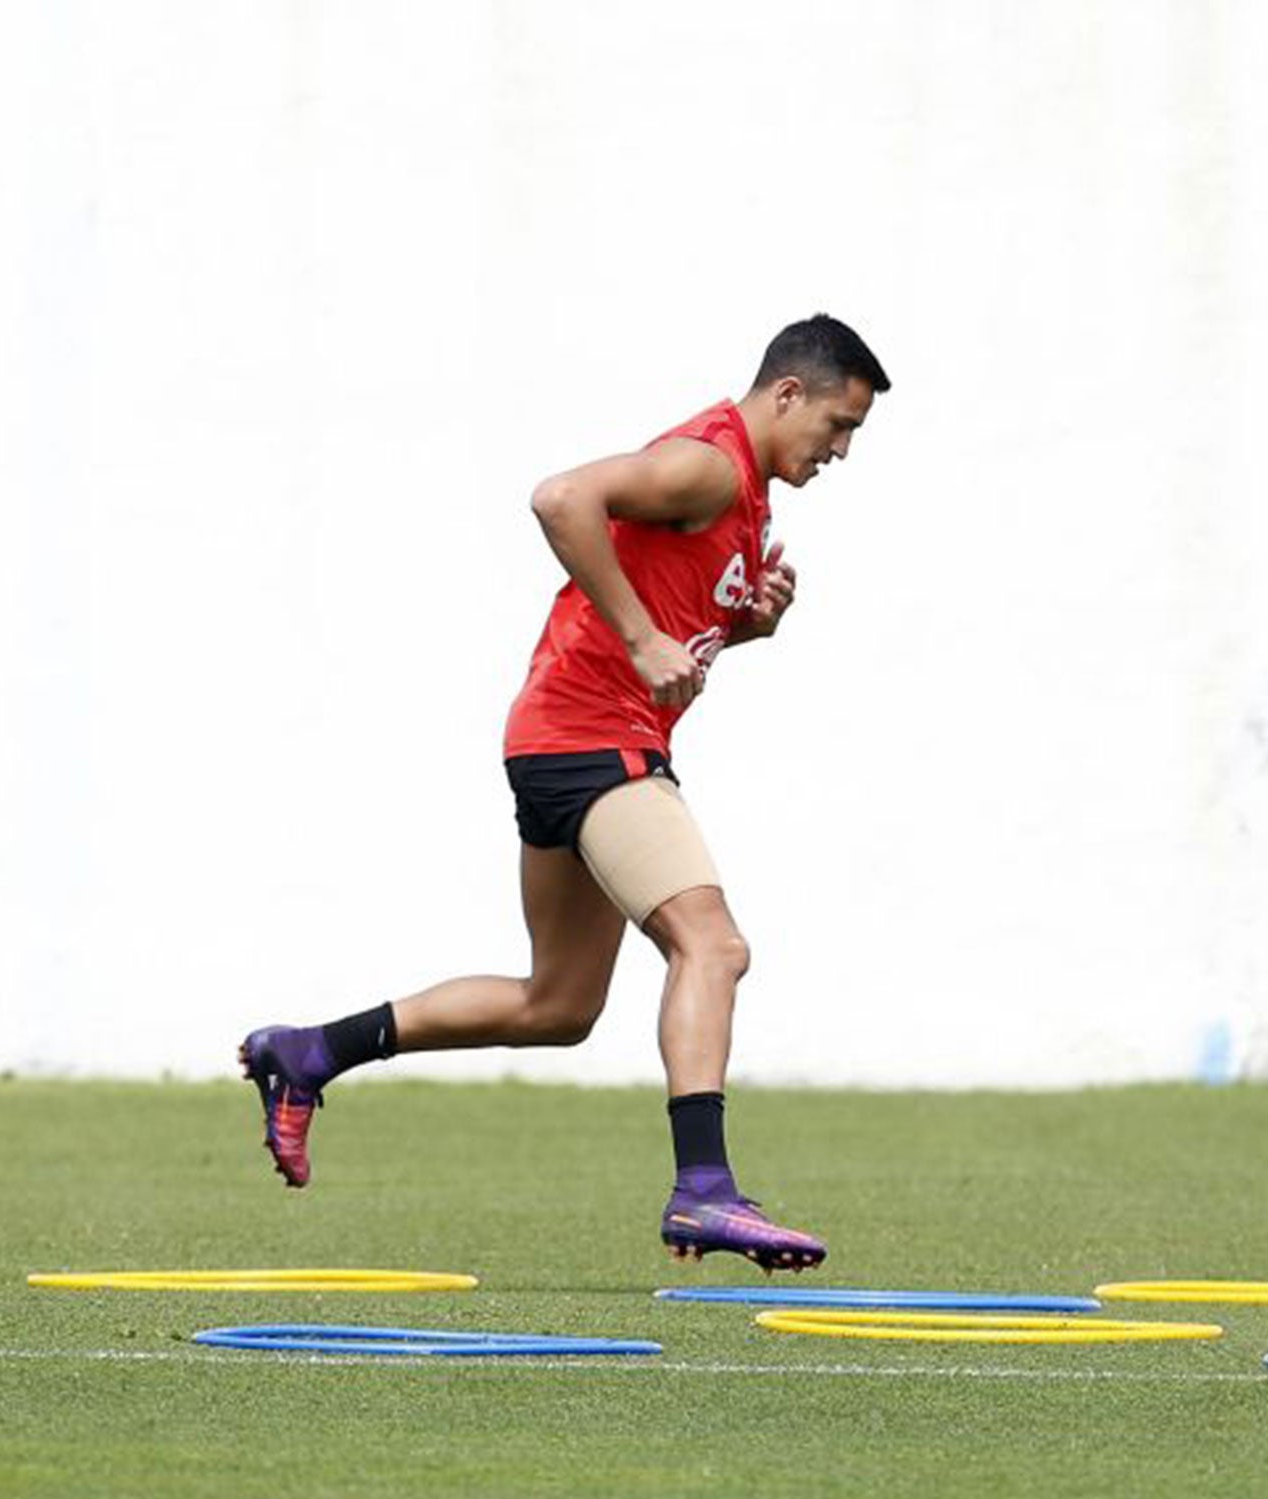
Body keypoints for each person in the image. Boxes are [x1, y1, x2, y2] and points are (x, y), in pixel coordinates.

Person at [241, 315, 889, 1272]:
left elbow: (668, 620)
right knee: (712, 944)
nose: (838, 451)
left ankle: (309, 1052)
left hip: (555, 742)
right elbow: (561, 499)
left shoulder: (740, 497)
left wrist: (742, 626)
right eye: (838, 425)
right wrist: (638, 639)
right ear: (787, 392)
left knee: (558, 1004)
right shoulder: (709, 465)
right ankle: (705, 1189)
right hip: (594, 742)